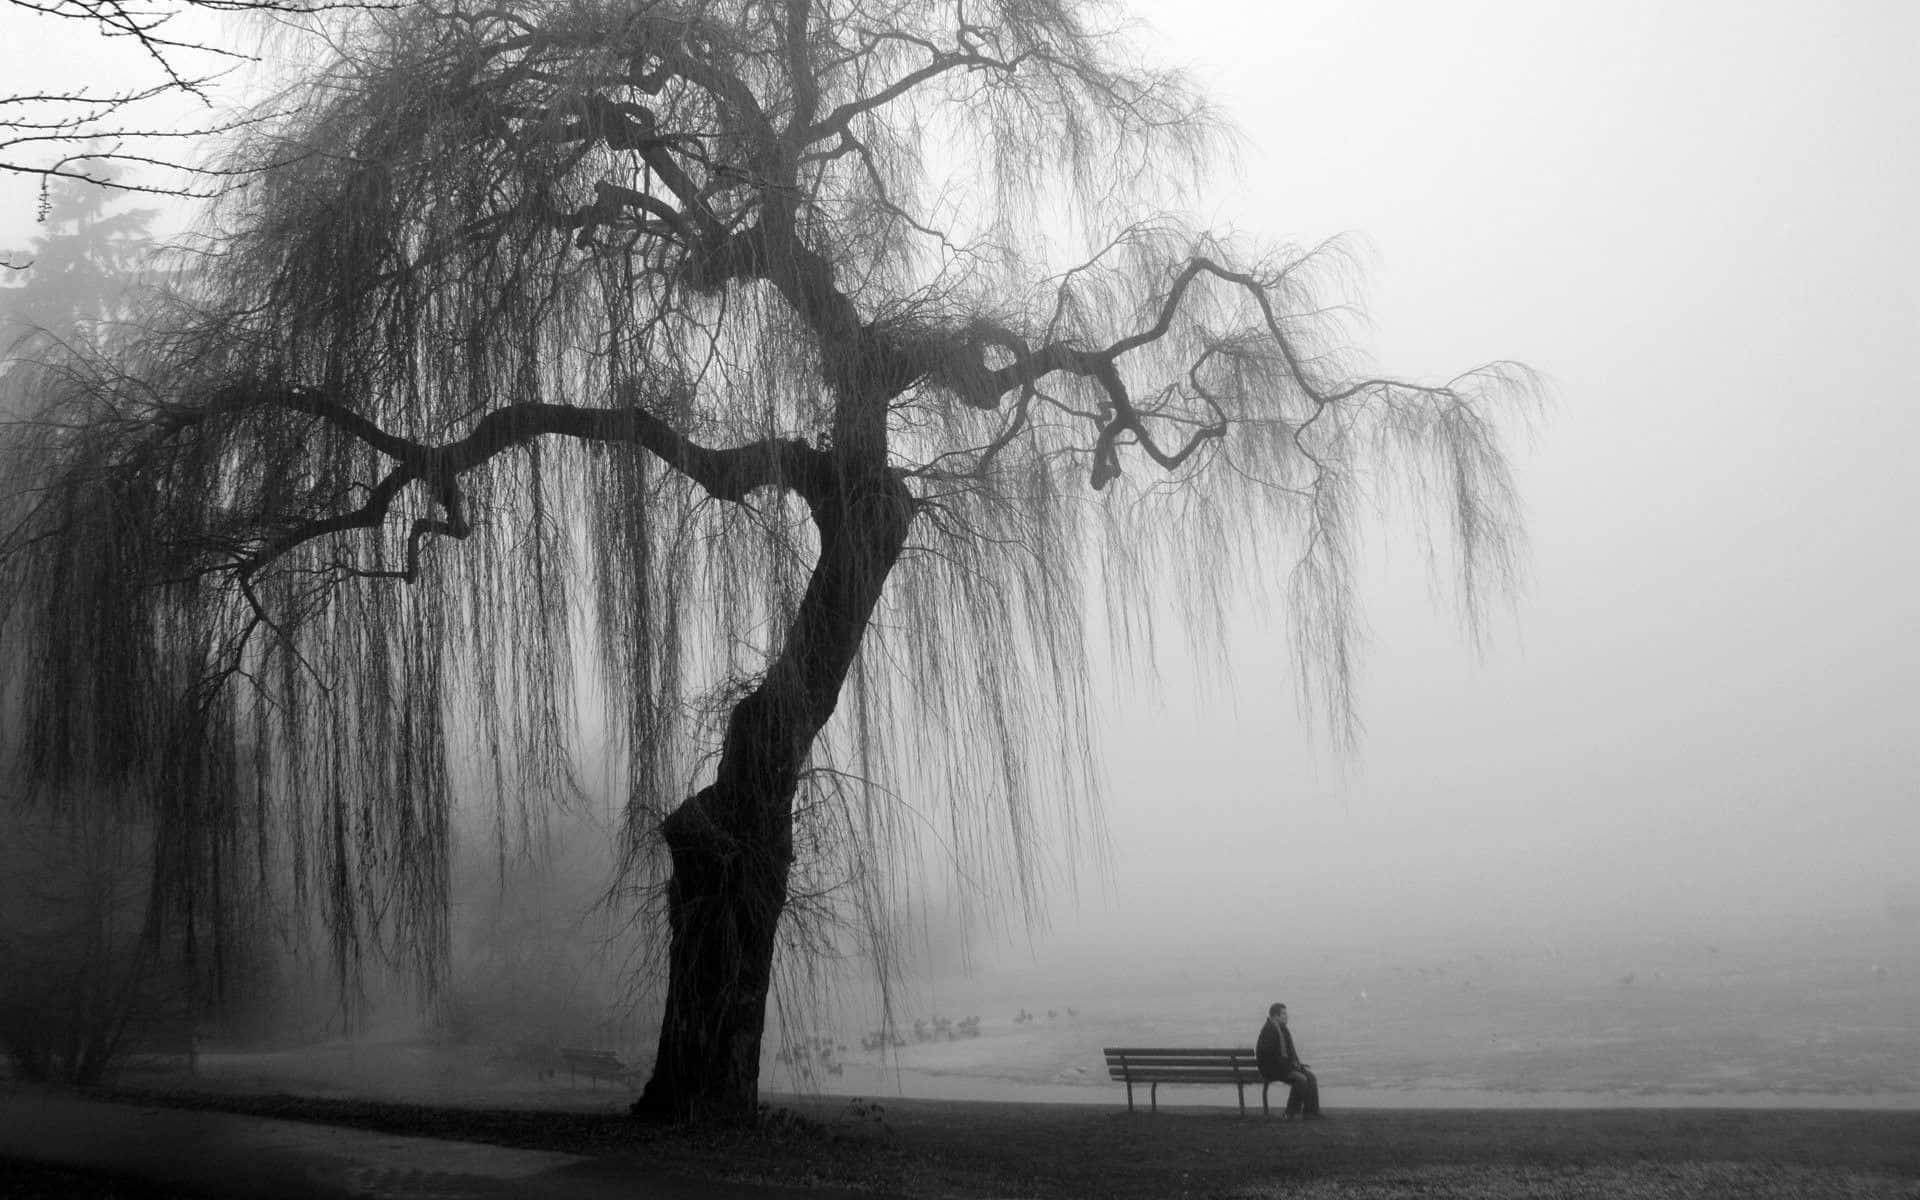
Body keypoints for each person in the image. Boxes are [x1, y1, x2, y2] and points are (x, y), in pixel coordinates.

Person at [1255, 1002, 1322, 1118]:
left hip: (1282, 1067)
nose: (1287, 1016)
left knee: (1311, 1077)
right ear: (1275, 1016)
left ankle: (1311, 1113)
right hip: (1272, 1071)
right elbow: (1270, 1057)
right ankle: (1289, 1113)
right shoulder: (1269, 1031)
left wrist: (1298, 1065)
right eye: (1284, 1014)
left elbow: (1290, 1053)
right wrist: (1291, 1067)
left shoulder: (1281, 1028)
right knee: (1301, 1079)